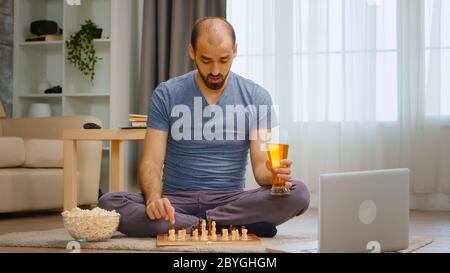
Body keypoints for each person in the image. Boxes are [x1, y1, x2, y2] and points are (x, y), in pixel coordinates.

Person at [98, 17, 310, 238]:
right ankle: (230, 226)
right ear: (192, 52)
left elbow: (261, 170)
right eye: (206, 60)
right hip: (175, 201)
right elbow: (151, 161)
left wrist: (274, 174)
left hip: (230, 201)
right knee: (108, 203)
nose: (216, 70)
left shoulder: (257, 97)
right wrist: (154, 199)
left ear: (235, 50)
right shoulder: (167, 93)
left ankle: (196, 225)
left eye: (224, 59)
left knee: (299, 193)